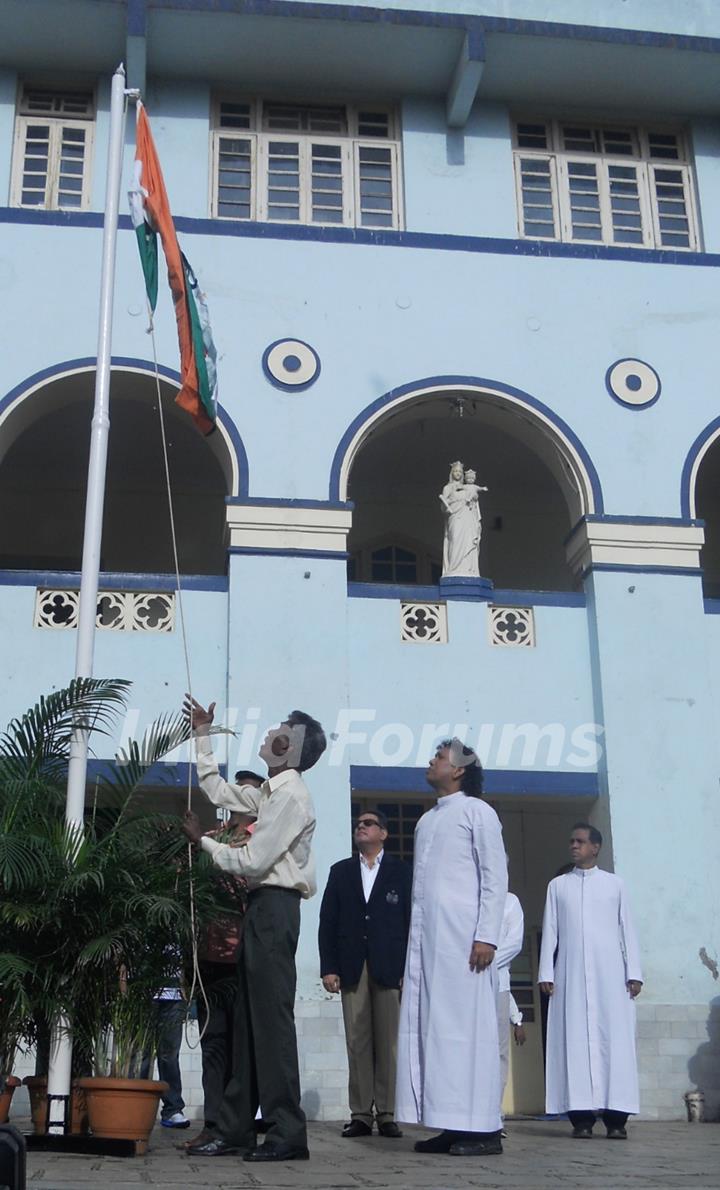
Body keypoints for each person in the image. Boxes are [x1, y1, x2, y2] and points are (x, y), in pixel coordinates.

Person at [181, 697, 327, 1163]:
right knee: (248, 1023)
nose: (270, 734)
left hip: (275, 907)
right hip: (261, 909)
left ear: (291, 746)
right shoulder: (270, 792)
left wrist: (202, 841)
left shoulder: (288, 796)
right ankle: (237, 1128)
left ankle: (287, 1131)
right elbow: (217, 789)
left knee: (270, 1024)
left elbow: (252, 859)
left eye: (280, 730)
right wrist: (203, 735)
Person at [395, 739, 508, 1157]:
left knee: (468, 1034)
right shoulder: (427, 821)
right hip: (429, 946)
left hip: (466, 943)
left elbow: (495, 877)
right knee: (436, 1033)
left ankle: (484, 1130)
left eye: (439, 757)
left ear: (460, 769)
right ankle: (449, 1122)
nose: (431, 761)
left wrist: (486, 935)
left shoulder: (479, 812)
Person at [538, 822, 643, 1140]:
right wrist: (546, 971)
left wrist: (634, 972)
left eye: (580, 841)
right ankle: (580, 1117)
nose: (574, 846)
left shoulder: (615, 885)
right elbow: (551, 930)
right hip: (569, 975)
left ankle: (616, 1118)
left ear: (595, 847)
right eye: (571, 841)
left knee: (616, 1042)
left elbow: (628, 929)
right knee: (573, 1041)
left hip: (610, 976)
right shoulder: (558, 886)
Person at [318, 809, 412, 1140]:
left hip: (390, 966)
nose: (361, 827)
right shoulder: (341, 871)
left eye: (369, 823)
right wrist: (328, 966)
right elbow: (327, 922)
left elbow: (411, 922)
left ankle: (387, 1112)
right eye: (358, 823)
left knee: (389, 1042)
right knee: (357, 1041)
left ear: (383, 833)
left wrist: (408, 970)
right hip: (351, 965)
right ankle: (360, 1113)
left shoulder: (401, 872)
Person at [185, 773, 263, 1151]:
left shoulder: (259, 840)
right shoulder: (212, 837)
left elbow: (244, 883)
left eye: (248, 789)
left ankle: (239, 1125)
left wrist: (205, 843)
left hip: (244, 958)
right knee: (213, 1044)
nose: (238, 795)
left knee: (240, 1046)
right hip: (208, 956)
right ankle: (213, 1123)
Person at [495, 887, 525, 1120]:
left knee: (498, 1052)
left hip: (497, 983)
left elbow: (514, 944)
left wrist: (483, 962)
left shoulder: (510, 902)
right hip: (466, 983)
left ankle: (494, 1113)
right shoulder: (468, 896)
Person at [439, 462, 488, 578]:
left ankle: (469, 569)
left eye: (460, 472)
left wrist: (475, 497)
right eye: (455, 471)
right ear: (452, 473)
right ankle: (453, 569)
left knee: (469, 541)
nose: (458, 474)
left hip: (468, 518)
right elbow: (443, 506)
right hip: (455, 518)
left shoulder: (467, 487)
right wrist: (448, 505)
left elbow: (474, 499)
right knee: (455, 539)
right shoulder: (448, 488)